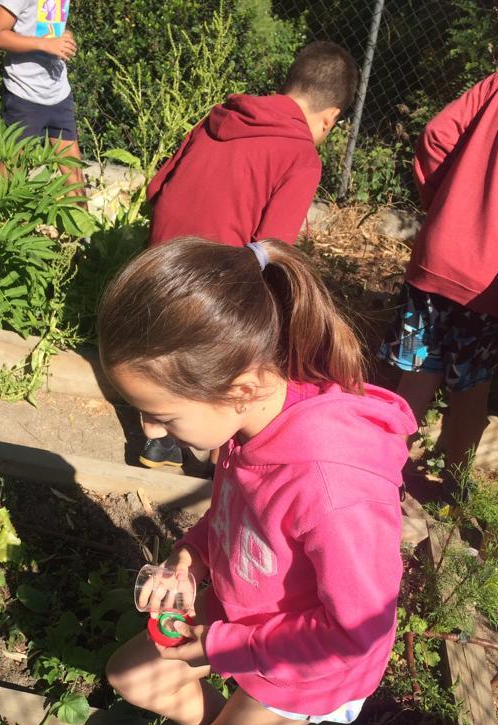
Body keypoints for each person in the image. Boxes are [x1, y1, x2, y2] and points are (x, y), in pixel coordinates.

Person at [100, 237, 416, 725]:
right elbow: (235, 516)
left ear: (240, 388)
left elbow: (354, 632)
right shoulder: (247, 421)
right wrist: (190, 558)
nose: (151, 430)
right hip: (247, 613)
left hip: (311, 657)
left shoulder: (332, 485)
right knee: (133, 675)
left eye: (164, 416)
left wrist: (221, 645)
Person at [140, 41, 358, 470]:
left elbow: (155, 188)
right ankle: (225, 457)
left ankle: (156, 439)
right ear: (331, 118)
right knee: (261, 333)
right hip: (211, 291)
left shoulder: (219, 118)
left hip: (156, 269)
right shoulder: (301, 155)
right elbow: (273, 249)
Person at [379, 60, 498, 497]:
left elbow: (436, 135)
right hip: (496, 278)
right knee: (471, 385)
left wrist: (444, 204)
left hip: (440, 253)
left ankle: (380, 477)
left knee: (416, 373)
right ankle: (455, 488)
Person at [0, 0, 84, 190]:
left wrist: (65, 36)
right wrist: (45, 44)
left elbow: (45, 26)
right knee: (11, 171)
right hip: (24, 94)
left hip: (58, 92)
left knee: (75, 178)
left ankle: (82, 212)